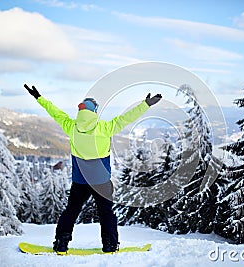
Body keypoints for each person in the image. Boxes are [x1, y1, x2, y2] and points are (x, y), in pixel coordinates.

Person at [24, 84, 162, 254]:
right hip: (101, 181)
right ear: (94, 112)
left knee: (71, 211)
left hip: (80, 181)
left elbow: (55, 112)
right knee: (106, 213)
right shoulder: (104, 128)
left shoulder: (71, 127)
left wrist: (39, 98)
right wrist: (145, 104)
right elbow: (127, 118)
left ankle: (61, 243)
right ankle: (110, 245)